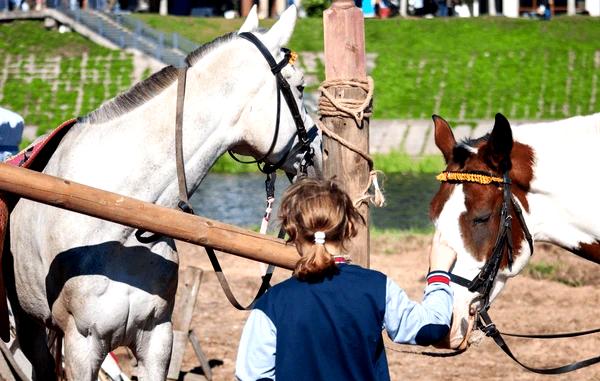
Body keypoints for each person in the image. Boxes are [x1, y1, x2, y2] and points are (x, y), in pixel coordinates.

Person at [235, 178, 456, 381]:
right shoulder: (376, 287)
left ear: (292, 232)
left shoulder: (272, 302)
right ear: (349, 227)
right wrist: (438, 270)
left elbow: (251, 377)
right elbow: (431, 327)